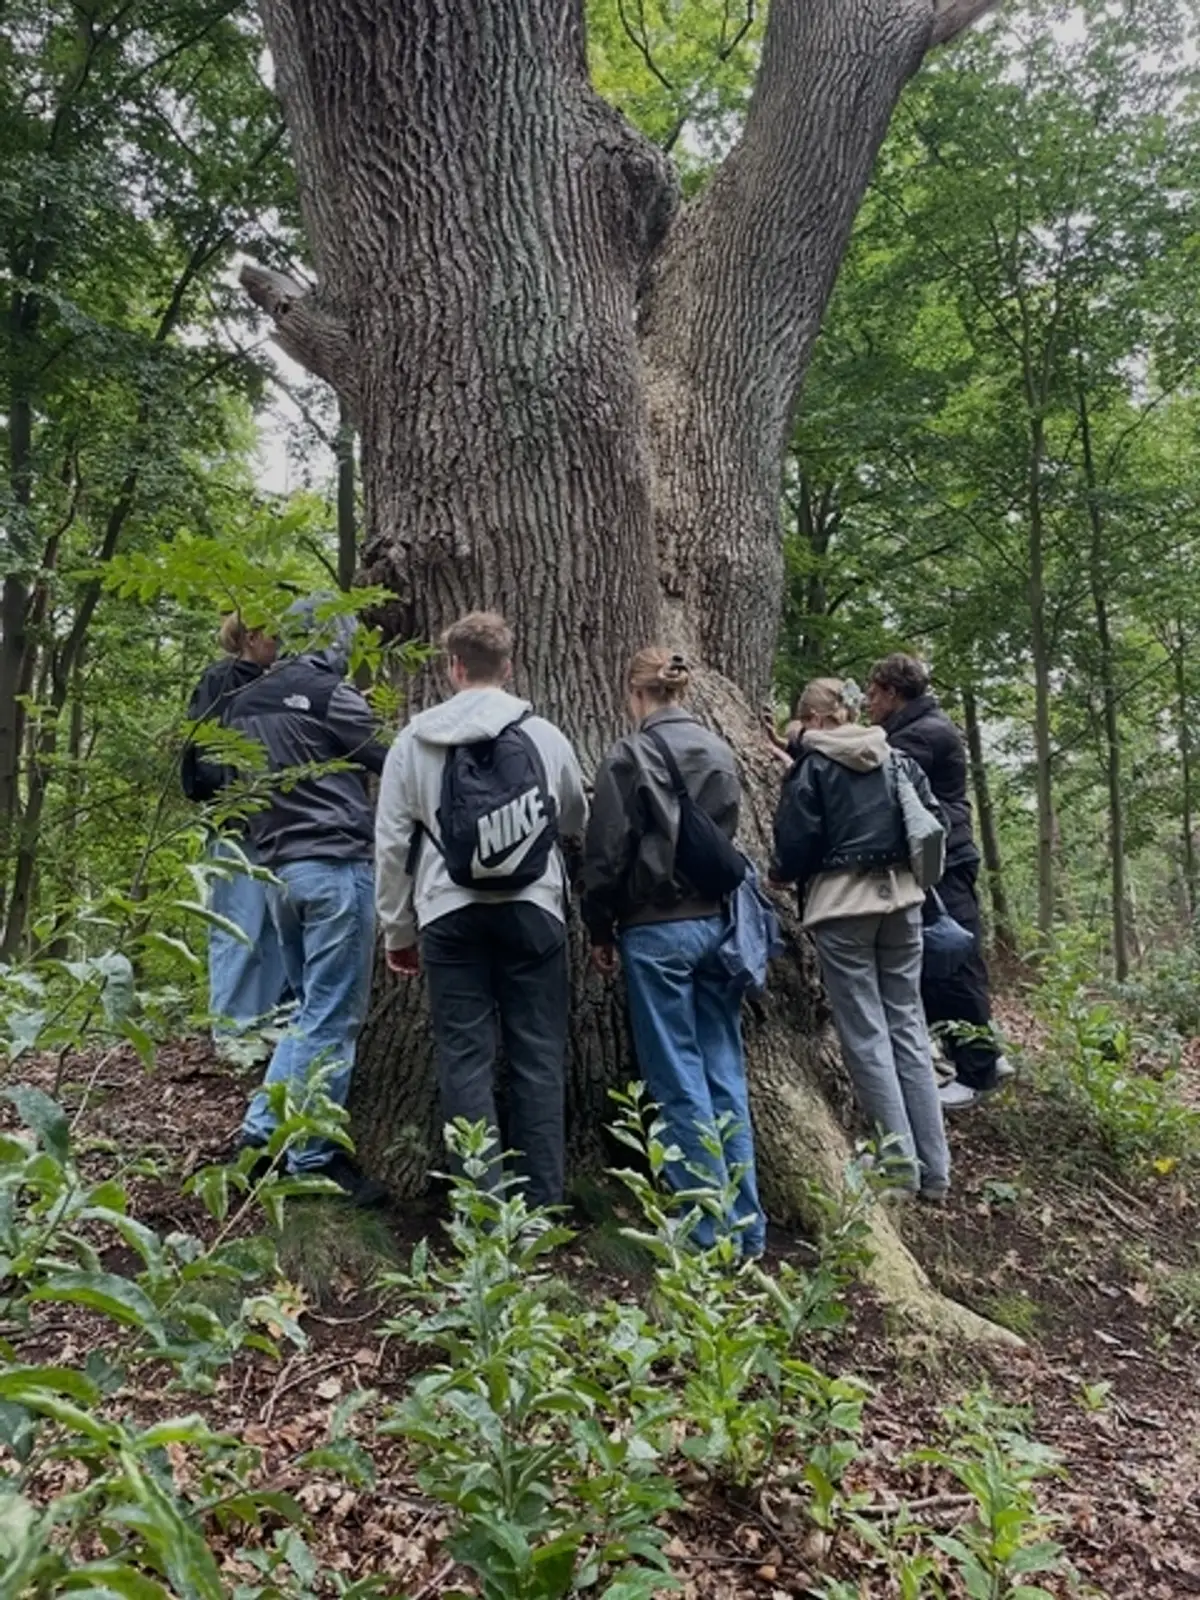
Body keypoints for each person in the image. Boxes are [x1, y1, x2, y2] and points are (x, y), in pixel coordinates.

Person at [374, 611, 587, 1209]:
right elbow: (574, 818)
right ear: (509, 667)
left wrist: (397, 930)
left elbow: (390, 843)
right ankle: (541, 1206)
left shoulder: (414, 740)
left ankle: (482, 1210)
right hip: (533, 907)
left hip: (447, 911)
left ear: (454, 667)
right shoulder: (544, 735)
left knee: (464, 1058)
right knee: (538, 1053)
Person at [582, 648, 766, 1257]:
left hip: (655, 928)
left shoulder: (628, 754)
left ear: (634, 693)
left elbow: (606, 852)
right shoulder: (719, 750)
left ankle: (707, 1230)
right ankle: (747, 1226)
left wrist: (599, 926)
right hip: (717, 926)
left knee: (677, 1076)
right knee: (723, 1071)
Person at [221, 596, 389, 1201]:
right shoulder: (328, 694)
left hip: (276, 875)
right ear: (333, 639)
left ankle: (258, 1139)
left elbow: (230, 784)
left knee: (306, 1013)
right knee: (332, 1018)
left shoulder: (242, 702)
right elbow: (392, 758)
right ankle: (313, 1157)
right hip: (334, 868)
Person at [771, 677, 950, 1201]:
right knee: (908, 1029)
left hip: (843, 907)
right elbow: (932, 819)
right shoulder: (895, 757)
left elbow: (795, 846)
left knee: (867, 1035)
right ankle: (935, 1169)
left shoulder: (813, 768)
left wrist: (781, 873)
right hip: (904, 903)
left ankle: (898, 1168)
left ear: (815, 719)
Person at [865, 654, 1011, 1109]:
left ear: (893, 693)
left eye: (873, 693)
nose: (868, 702)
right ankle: (982, 1055)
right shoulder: (921, 727)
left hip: (945, 859)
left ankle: (977, 1072)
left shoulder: (921, 735)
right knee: (949, 957)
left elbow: (875, 773)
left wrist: (806, 744)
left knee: (954, 961)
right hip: (943, 856)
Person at [181, 615, 288, 1057]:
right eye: (273, 635)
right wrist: (233, 796)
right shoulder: (220, 680)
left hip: (277, 824)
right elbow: (204, 750)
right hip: (236, 824)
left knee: (275, 928)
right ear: (250, 637)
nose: (279, 643)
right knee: (237, 925)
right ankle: (231, 1033)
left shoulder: (279, 682)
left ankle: (266, 1026)